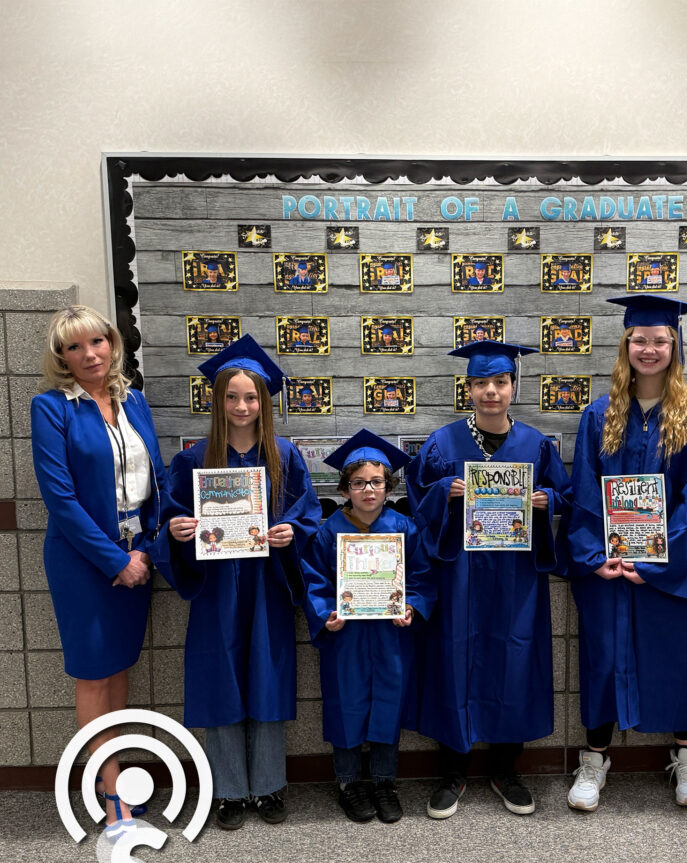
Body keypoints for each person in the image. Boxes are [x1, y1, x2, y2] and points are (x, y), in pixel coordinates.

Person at [558, 293, 687, 812]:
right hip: (609, 568)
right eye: (640, 340)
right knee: (603, 659)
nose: (649, 349)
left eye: (660, 341)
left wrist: (653, 562)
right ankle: (594, 759)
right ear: (626, 344)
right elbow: (585, 493)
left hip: (667, 570)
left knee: (677, 656)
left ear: (675, 347)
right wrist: (595, 556)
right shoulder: (599, 415)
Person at [153, 335, 319, 830]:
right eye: (231, 397)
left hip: (268, 584)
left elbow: (307, 515)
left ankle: (268, 785)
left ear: (264, 402)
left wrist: (293, 532)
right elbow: (169, 516)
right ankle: (227, 789)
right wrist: (176, 531)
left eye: (251, 397)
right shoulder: (193, 458)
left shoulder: (284, 455)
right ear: (217, 400)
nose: (242, 406)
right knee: (220, 678)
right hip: (218, 587)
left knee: (267, 676)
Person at [405, 341, 572, 818]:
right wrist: (443, 490)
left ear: (514, 386)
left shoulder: (536, 445)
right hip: (459, 573)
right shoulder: (443, 443)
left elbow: (567, 495)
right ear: (469, 389)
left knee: (513, 660)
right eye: (481, 383)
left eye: (500, 382)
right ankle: (452, 771)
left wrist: (548, 501)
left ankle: (505, 768)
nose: (491, 391)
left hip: (516, 576)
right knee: (453, 659)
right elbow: (417, 500)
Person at [31, 306, 167, 838]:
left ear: (112, 343)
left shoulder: (135, 402)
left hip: (138, 558)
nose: (89, 354)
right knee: (93, 674)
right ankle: (113, 797)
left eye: (97, 341)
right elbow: (60, 499)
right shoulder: (51, 408)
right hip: (84, 564)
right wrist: (115, 561)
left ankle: (117, 781)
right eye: (74, 347)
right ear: (61, 356)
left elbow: (156, 481)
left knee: (119, 667)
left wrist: (147, 551)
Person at [301, 431, 436, 824]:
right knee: (346, 703)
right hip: (347, 636)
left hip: (391, 634)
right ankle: (348, 783)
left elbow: (422, 577)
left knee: (388, 704)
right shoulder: (329, 531)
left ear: (388, 487)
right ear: (345, 489)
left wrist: (411, 607)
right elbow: (315, 581)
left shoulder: (404, 527)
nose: (368, 490)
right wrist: (326, 613)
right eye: (358, 483)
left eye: (376, 482)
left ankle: (383, 782)